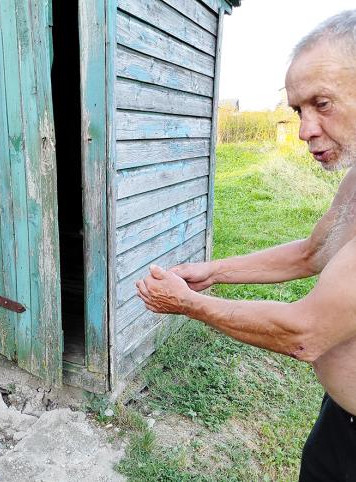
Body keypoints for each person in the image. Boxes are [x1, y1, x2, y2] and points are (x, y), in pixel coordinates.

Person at [136, 10, 356, 481]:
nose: (304, 130)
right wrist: (213, 271)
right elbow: (312, 253)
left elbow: (304, 334)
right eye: (298, 110)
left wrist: (188, 304)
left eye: (322, 103)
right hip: (340, 422)